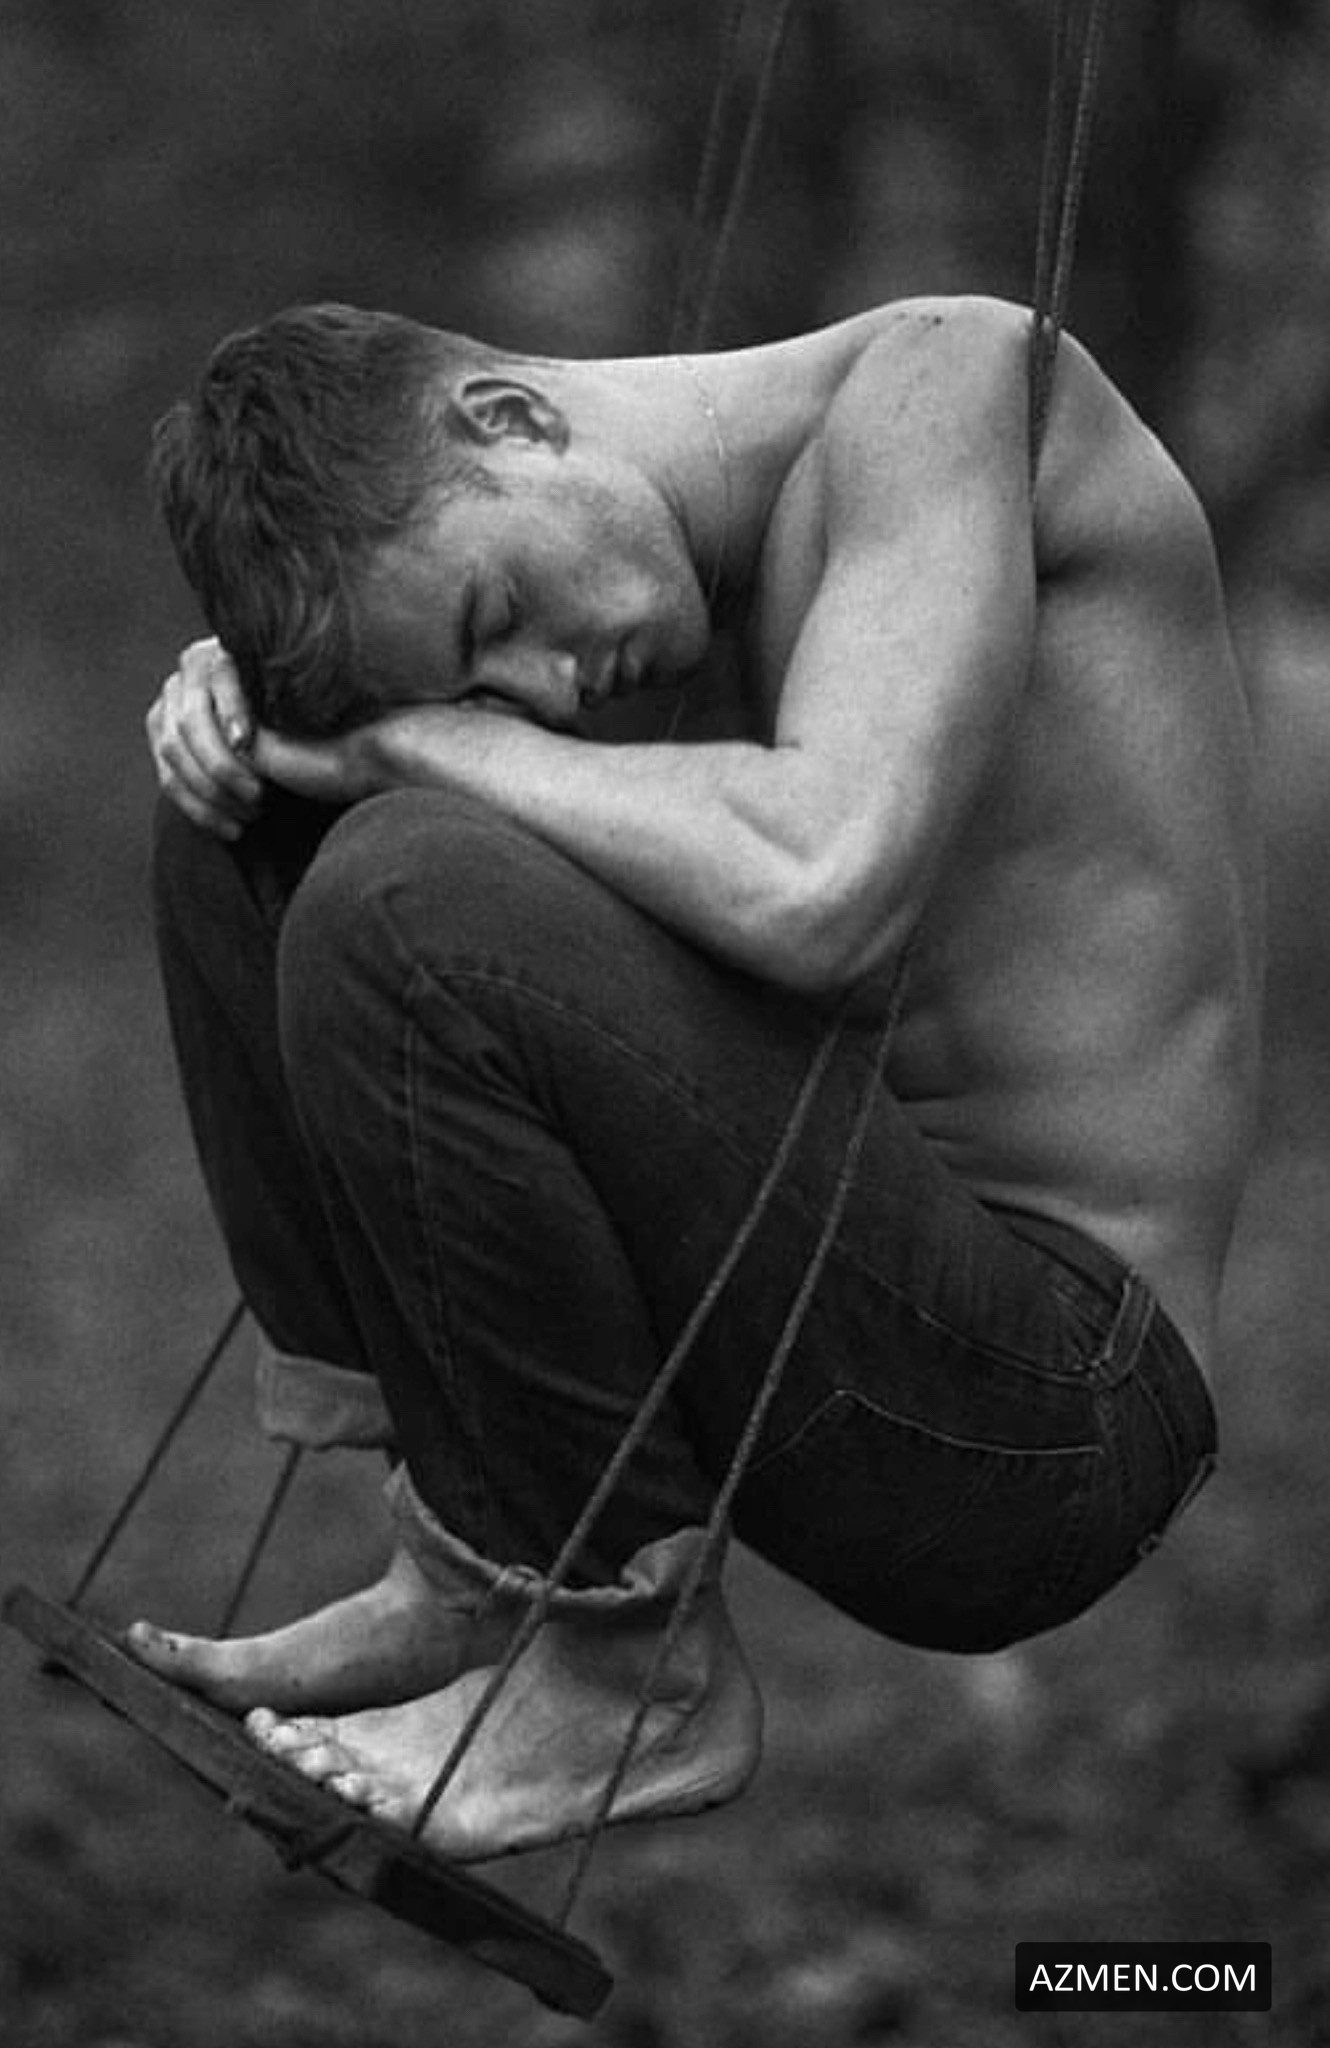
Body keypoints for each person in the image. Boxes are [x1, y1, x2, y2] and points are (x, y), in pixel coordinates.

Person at [129, 296, 1262, 1862]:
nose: (539, 693)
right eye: (478, 682)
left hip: (1052, 1410)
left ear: (510, 420)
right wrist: (281, 711)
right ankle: (468, 1559)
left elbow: (819, 884)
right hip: (846, 1307)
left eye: (491, 617)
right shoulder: (654, 586)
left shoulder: (951, 392)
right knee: (245, 804)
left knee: (402, 880)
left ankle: (623, 1678)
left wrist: (412, 746)